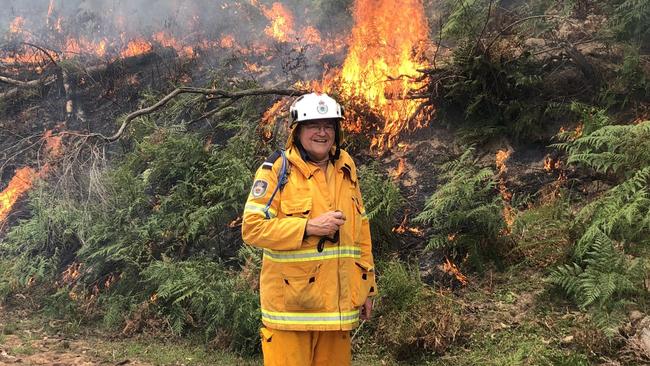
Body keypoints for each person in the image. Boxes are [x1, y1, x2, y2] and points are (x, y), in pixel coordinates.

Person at [242, 92, 377, 366]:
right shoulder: (277, 171)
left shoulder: (346, 168)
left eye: (328, 125)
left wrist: (366, 289)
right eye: (314, 125)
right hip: (292, 313)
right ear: (298, 131)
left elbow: (361, 233)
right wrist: (308, 227)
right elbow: (252, 229)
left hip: (336, 313)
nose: (322, 132)